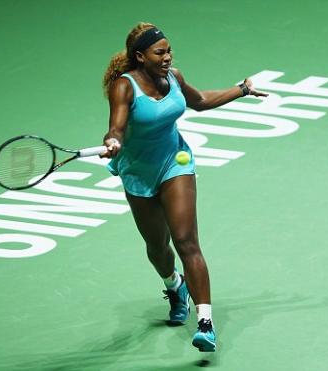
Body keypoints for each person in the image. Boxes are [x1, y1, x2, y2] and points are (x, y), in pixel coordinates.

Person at [100, 22, 267, 352]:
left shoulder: (173, 76)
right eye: (159, 52)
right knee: (158, 247)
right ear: (140, 56)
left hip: (174, 163)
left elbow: (201, 101)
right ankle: (174, 285)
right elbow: (116, 127)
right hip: (138, 171)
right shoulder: (125, 87)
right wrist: (112, 141)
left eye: (168, 50)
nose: (167, 56)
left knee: (187, 241)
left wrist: (242, 90)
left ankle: (205, 321)